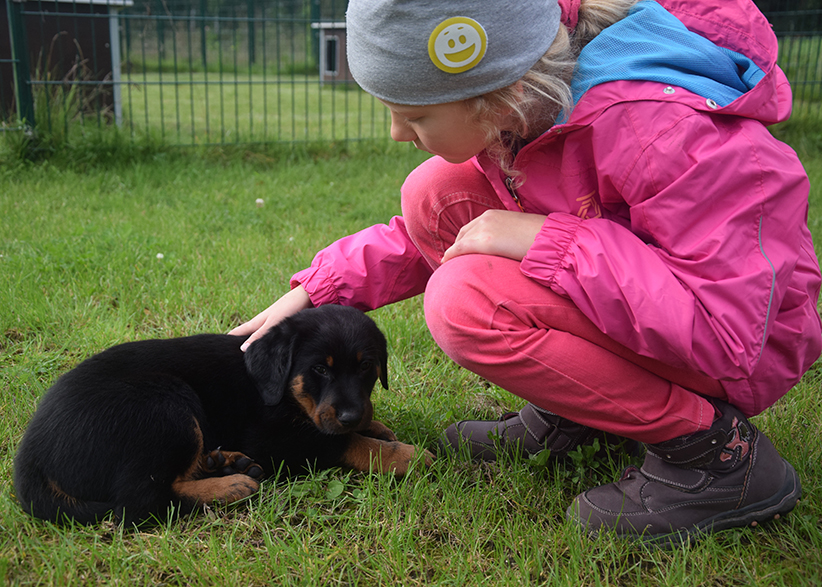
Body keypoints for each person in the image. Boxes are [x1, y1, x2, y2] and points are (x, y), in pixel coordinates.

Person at [231, 0, 821, 546]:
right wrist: (319, 290)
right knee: (435, 194)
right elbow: (421, 236)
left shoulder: (664, 133)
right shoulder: (533, 113)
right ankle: (579, 411)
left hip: (742, 351)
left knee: (467, 302)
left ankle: (718, 456)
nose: (397, 133)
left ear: (497, 95)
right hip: (667, 320)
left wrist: (551, 239)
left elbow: (728, 335)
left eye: (414, 114)